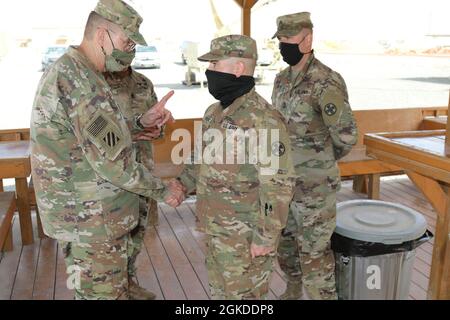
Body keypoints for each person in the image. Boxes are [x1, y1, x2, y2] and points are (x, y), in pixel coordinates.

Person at [30, 0, 184, 300]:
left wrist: (139, 123)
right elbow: (115, 163)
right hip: (92, 221)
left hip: (90, 218)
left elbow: (91, 139)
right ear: (102, 35)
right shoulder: (82, 83)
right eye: (126, 41)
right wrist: (164, 191)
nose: (129, 50)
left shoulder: (73, 72)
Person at [171, 35, 296, 299]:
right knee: (221, 295)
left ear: (238, 69)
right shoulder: (213, 113)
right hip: (216, 229)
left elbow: (278, 184)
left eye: (215, 64)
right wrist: (182, 183)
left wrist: (266, 235)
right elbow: (199, 158)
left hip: (246, 235)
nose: (209, 71)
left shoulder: (264, 119)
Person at [271, 12, 358, 300]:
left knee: (314, 253)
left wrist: (317, 160)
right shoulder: (281, 80)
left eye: (289, 40)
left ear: (307, 40)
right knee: (284, 244)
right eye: (280, 40)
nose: (284, 46)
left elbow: (346, 136)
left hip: (315, 188)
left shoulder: (326, 82)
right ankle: (293, 289)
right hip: (284, 184)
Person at [103, 66, 164, 299]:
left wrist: (158, 127)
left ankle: (127, 281)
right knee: (113, 234)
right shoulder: (95, 83)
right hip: (112, 175)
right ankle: (114, 287)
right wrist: (133, 130)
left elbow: (158, 123)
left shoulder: (143, 83)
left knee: (137, 229)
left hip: (142, 170)